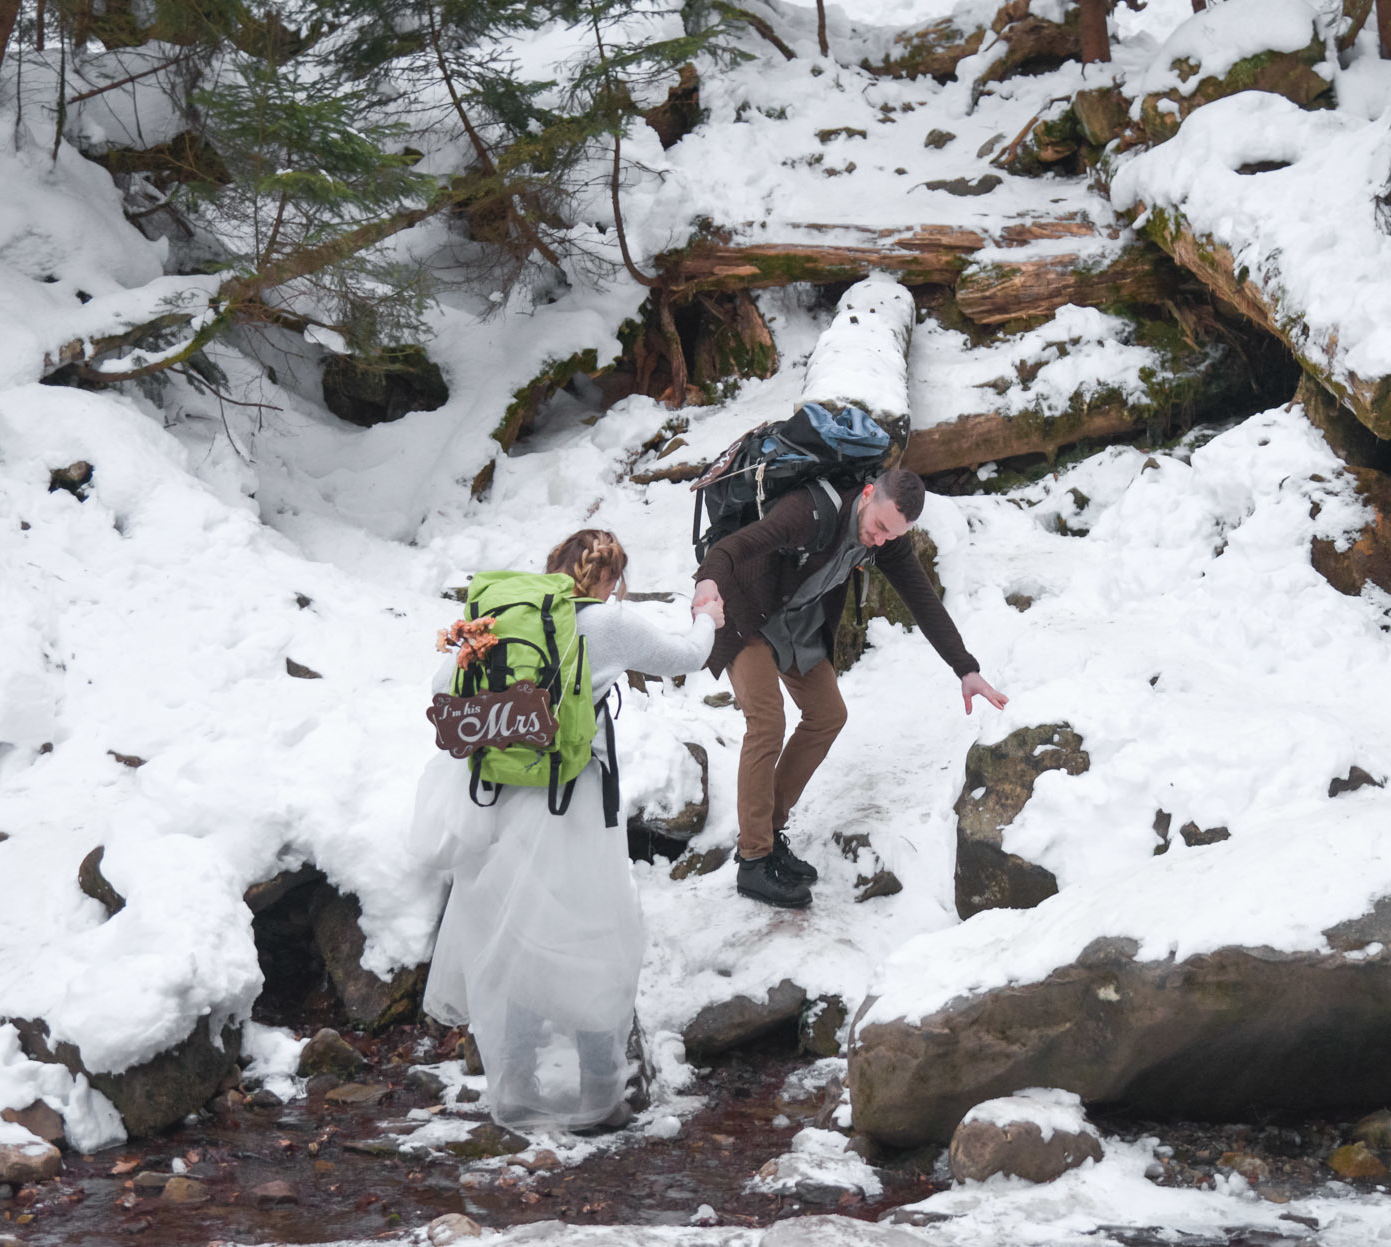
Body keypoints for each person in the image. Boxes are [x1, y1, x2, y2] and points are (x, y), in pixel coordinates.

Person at [417, 529, 721, 1130]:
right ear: (609, 580)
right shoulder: (606, 624)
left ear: (554, 567)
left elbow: (439, 688)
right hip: (573, 800)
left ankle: (521, 1083)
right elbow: (689, 657)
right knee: (588, 933)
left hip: (505, 799)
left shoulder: (508, 616)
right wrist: (707, 615)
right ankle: (598, 1093)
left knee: (524, 932)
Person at [692, 466, 1007, 908]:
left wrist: (965, 669)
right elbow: (730, 548)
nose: (879, 541)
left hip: (795, 621)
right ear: (866, 494)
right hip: (741, 609)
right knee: (766, 721)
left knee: (828, 715)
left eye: (890, 535)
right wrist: (707, 585)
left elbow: (923, 599)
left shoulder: (885, 540)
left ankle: (767, 829)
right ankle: (753, 860)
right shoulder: (808, 513)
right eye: (878, 527)